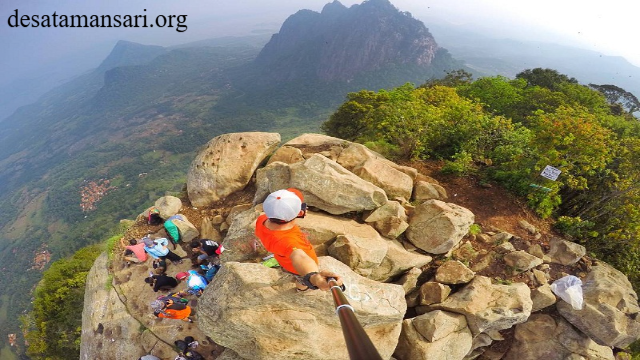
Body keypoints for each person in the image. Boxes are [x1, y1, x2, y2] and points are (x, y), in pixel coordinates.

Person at [255, 188, 343, 291]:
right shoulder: (288, 241)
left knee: (284, 259)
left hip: (282, 257)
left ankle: (287, 271)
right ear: (300, 213)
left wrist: (289, 201)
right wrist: (315, 278)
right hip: (295, 268)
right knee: (302, 280)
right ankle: (301, 288)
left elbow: (288, 196)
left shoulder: (262, 219)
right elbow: (300, 257)